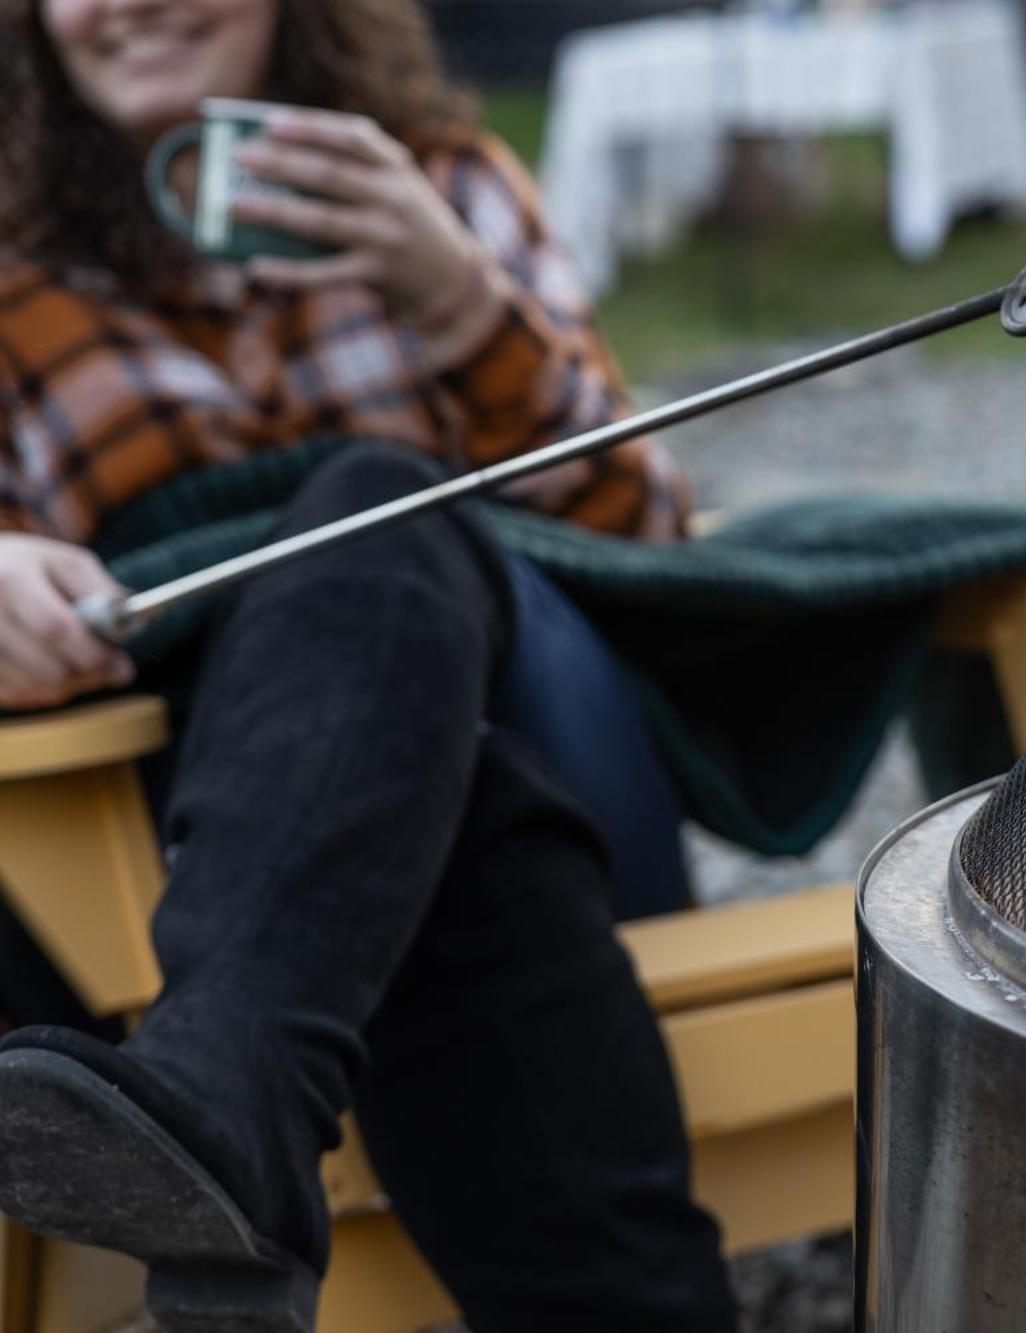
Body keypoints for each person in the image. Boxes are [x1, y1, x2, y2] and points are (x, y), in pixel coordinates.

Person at [0, 1, 737, 1329]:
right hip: (186, 833)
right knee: (457, 796)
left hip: (564, 743)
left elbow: (653, 532)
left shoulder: (443, 184)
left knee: (380, 508)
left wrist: (455, 296)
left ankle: (227, 1091)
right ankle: (236, 1108)